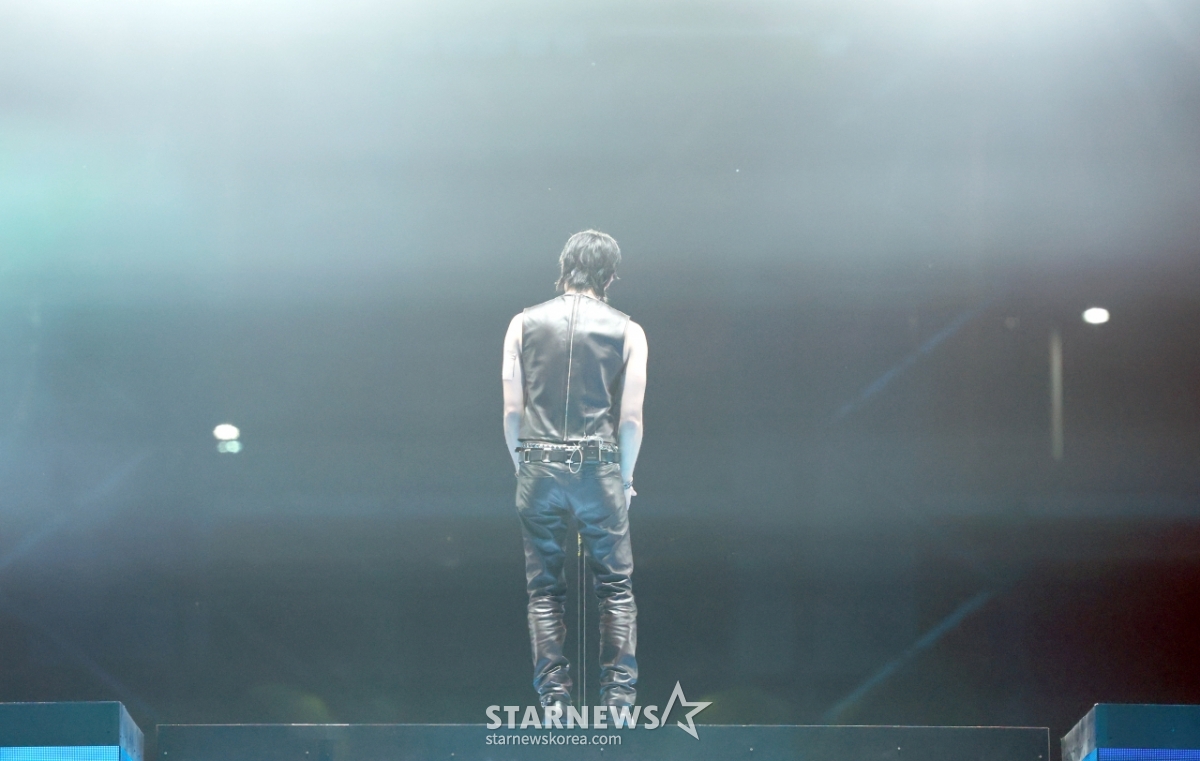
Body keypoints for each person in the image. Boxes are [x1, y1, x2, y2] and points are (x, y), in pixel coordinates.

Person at [501, 230, 648, 710]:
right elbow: (630, 419)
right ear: (611, 276)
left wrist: (523, 466)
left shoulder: (521, 324)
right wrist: (624, 480)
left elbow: (512, 412)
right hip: (597, 468)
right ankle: (619, 701)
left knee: (544, 589)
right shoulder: (630, 331)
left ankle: (553, 701)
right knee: (616, 587)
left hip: (537, 465)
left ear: (564, 267)